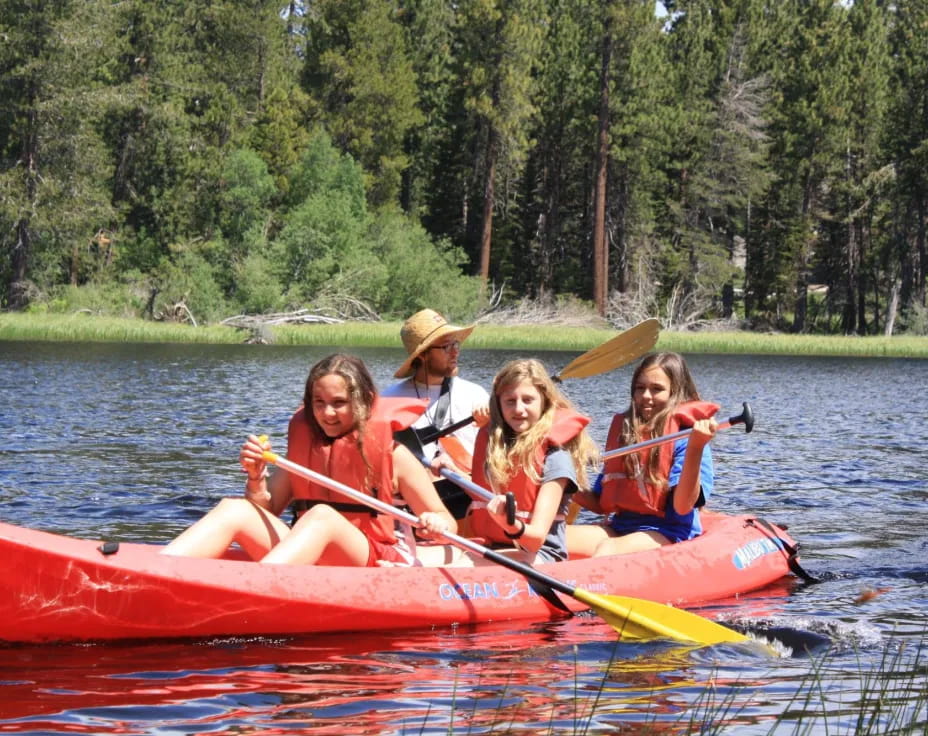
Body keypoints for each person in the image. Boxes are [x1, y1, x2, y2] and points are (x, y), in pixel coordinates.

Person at [161, 353, 456, 566]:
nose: (327, 413)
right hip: (308, 556)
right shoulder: (302, 453)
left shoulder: (395, 455)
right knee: (235, 509)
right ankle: (156, 574)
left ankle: (255, 590)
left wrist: (434, 522)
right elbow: (267, 509)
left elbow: (448, 523)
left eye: (339, 403)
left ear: (363, 400)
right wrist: (255, 478)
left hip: (371, 556)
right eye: (319, 403)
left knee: (322, 517)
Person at [567, 352, 719, 558]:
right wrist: (560, 477)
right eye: (640, 388)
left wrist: (696, 447)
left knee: (608, 550)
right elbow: (599, 503)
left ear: (676, 393)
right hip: (621, 528)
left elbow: (683, 507)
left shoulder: (687, 439)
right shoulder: (626, 435)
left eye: (657, 389)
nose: (646, 395)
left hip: (668, 532)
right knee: (556, 537)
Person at [457, 358, 599, 565]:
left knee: (460, 565)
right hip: (496, 546)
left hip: (541, 555)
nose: (519, 409)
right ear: (499, 405)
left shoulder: (555, 458)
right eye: (510, 401)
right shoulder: (496, 449)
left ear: (544, 402)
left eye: (528, 400)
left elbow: (535, 540)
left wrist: (511, 524)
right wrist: (449, 468)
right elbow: (482, 492)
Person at [381, 308, 490, 522]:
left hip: (468, 495)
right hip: (416, 501)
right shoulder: (388, 401)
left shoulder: (476, 395)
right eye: (447, 346)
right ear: (422, 355)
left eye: (456, 344)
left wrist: (489, 427)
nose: (455, 352)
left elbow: (501, 453)